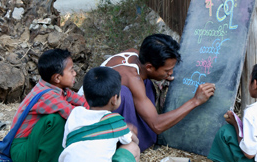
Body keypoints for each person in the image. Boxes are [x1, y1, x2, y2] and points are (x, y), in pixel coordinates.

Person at [80, 34, 216, 151]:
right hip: (91, 123)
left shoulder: (134, 54)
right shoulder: (132, 78)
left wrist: (162, 74)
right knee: (126, 92)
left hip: (98, 102)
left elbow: (145, 75)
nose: (171, 73)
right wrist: (195, 101)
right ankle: (124, 143)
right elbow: (157, 125)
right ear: (150, 67)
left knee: (145, 83)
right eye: (167, 70)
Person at [55, 67, 140, 162]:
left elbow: (66, 145)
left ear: (85, 96)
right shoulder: (115, 121)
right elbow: (132, 141)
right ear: (115, 99)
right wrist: (130, 132)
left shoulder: (75, 114)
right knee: (133, 148)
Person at [10, 49, 87, 162]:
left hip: (30, 146)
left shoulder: (55, 87)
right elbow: (75, 115)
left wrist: (94, 105)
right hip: (22, 153)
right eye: (71, 70)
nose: (75, 73)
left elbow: (82, 101)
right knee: (56, 120)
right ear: (57, 77)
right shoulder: (48, 96)